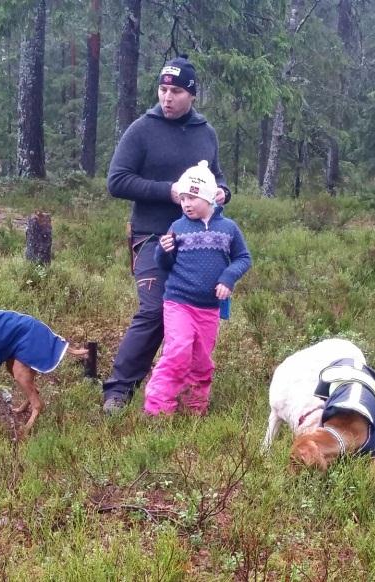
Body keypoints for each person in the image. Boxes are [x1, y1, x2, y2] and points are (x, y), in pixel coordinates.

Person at [101, 55, 231, 413]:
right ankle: (118, 390)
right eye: (162, 89)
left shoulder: (206, 133)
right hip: (153, 236)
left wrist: (222, 193)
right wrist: (169, 192)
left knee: (195, 313)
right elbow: (117, 181)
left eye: (175, 91)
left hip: (197, 242)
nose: (167, 97)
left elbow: (217, 177)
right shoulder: (142, 129)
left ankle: (186, 390)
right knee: (156, 309)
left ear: (192, 94)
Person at [142, 162, 251, 416]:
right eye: (182, 198)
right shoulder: (177, 228)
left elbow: (243, 258)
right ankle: (157, 409)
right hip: (178, 303)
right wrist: (163, 251)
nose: (186, 204)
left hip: (209, 308)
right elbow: (164, 264)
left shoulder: (229, 229)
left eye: (192, 197)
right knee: (177, 352)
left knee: (202, 360)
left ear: (210, 197)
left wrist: (228, 278)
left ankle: (195, 408)